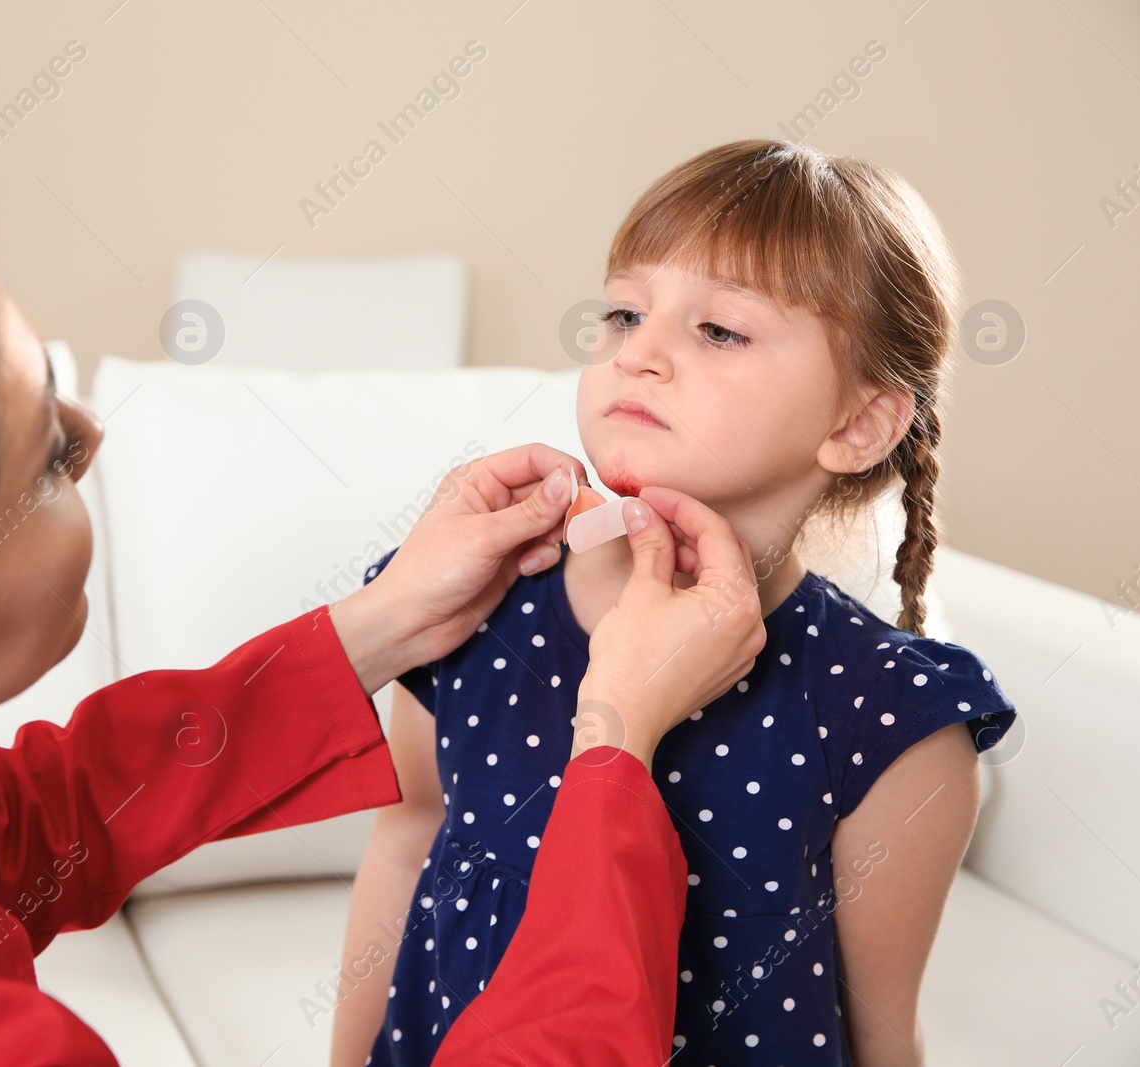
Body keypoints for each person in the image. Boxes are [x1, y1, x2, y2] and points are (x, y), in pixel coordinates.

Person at [0, 159, 762, 1065]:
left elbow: (28, 815)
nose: (94, 440)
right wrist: (615, 743)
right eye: (48, 456)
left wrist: (388, 618)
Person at [336, 139, 1020, 1067]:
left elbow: (880, 1030)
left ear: (857, 423)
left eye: (720, 331)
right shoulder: (469, 607)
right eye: (623, 313)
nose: (638, 355)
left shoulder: (891, 718)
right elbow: (409, 836)